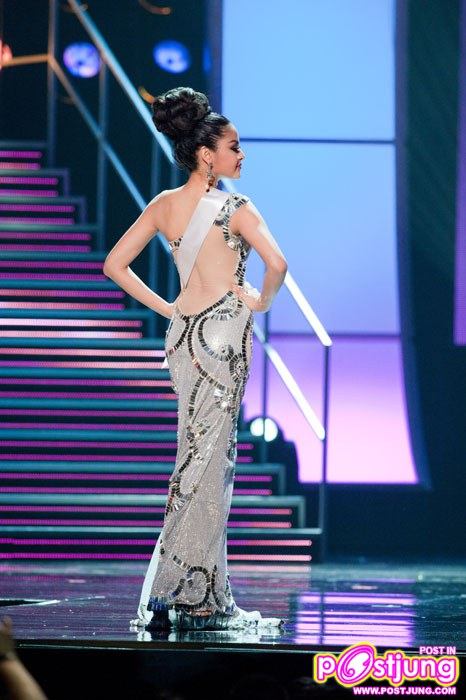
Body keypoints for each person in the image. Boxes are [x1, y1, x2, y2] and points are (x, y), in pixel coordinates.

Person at [103, 87, 288, 631]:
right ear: (207, 154)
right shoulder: (236, 208)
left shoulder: (164, 205)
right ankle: (189, 595)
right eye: (234, 146)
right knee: (210, 463)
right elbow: (277, 264)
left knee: (197, 458)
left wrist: (169, 308)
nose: (241, 155)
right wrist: (261, 300)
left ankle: (197, 590)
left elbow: (115, 264)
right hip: (223, 336)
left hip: (183, 336)